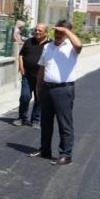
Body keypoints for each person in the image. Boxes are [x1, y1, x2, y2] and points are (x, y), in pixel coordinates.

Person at [29, 19, 82, 166]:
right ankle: (45, 150)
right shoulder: (48, 47)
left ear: (69, 32)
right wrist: (39, 87)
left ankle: (66, 155)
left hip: (63, 90)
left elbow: (79, 45)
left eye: (62, 31)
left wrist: (66, 31)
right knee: (45, 122)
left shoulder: (72, 47)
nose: (58, 34)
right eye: (57, 31)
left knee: (64, 124)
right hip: (46, 88)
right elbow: (42, 68)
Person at [14, 23, 49, 127]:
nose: (37, 32)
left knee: (39, 99)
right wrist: (21, 68)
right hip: (28, 76)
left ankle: (35, 120)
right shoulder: (29, 41)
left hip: (42, 78)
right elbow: (21, 55)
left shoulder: (50, 45)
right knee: (25, 96)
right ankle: (22, 118)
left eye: (40, 31)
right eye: (36, 30)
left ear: (46, 32)